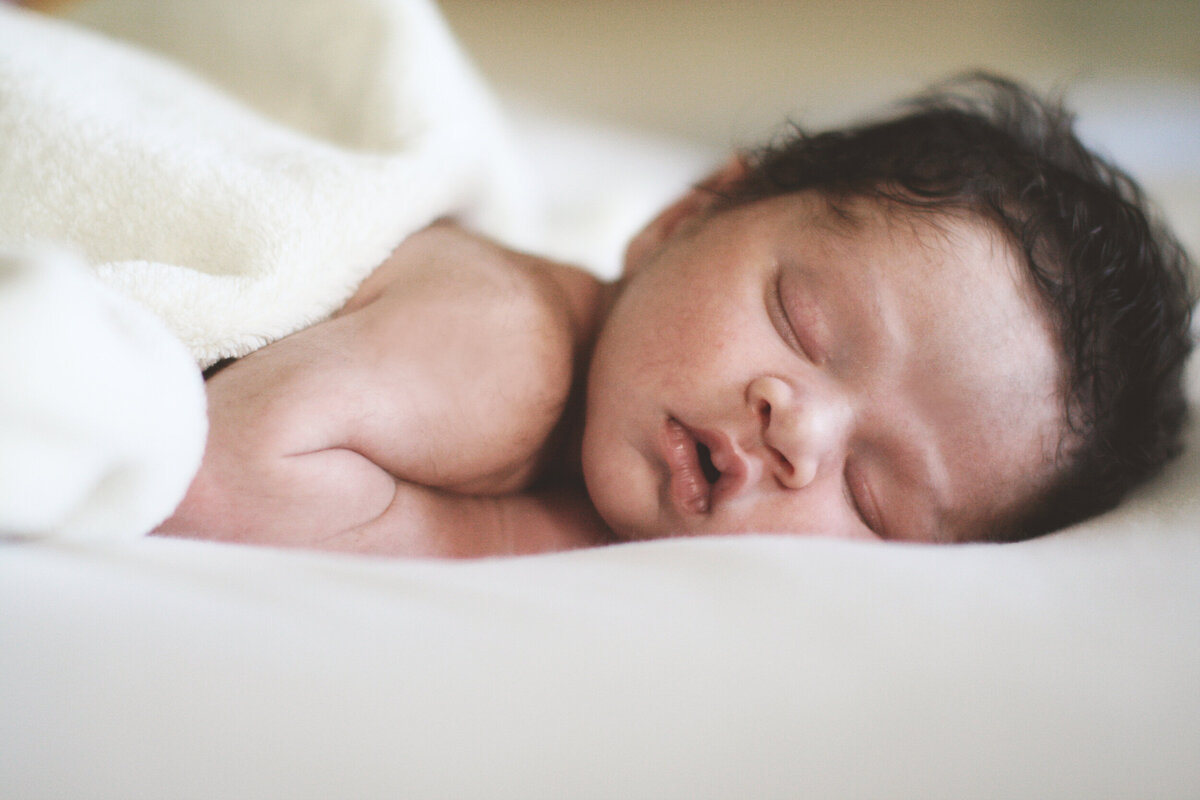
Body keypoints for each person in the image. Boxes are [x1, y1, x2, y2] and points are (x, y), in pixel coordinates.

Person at [155, 73, 1195, 558]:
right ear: (685, 215)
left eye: (875, 498)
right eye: (804, 323)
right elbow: (215, 471)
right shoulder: (509, 348)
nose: (799, 430)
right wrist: (524, 534)